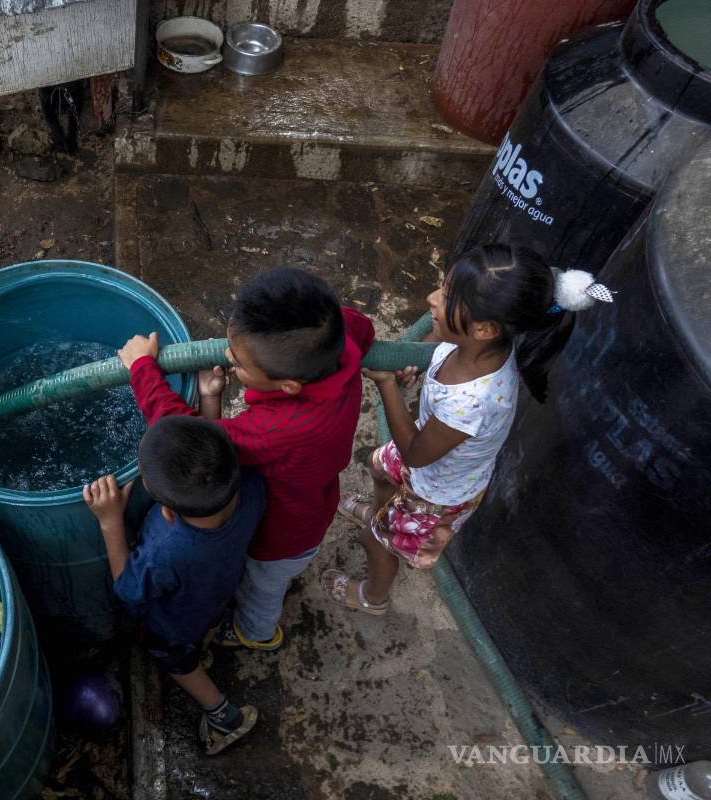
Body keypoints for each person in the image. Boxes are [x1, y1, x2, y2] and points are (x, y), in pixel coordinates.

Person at [322, 244, 609, 614]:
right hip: (430, 457)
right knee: (380, 468)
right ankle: (379, 515)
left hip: (436, 490)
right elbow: (433, 352)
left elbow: (415, 454)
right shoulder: (474, 345)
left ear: (485, 328)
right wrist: (412, 366)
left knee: (375, 543)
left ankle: (372, 597)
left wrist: (387, 385)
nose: (431, 298)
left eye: (445, 295)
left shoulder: (475, 401)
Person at [118, 268, 375, 651]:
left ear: (288, 387)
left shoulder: (280, 428)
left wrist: (143, 370)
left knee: (262, 588)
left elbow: (191, 440)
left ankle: (255, 634)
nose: (227, 359)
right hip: (315, 497)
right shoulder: (339, 336)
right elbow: (363, 327)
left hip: (282, 537)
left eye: (238, 362)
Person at [84, 415, 266, 755]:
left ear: (167, 511)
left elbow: (129, 590)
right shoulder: (252, 486)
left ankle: (223, 715)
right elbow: (212, 464)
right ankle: (207, 642)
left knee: (176, 660)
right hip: (218, 591)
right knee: (206, 624)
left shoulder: (166, 551)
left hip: (174, 623)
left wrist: (110, 522)